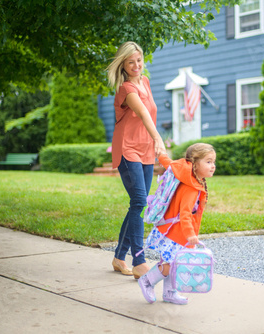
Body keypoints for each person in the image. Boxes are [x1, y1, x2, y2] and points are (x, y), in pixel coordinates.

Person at [106, 41, 166, 279]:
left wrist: (154, 143)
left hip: (145, 150)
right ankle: (139, 260)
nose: (136, 65)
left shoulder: (146, 82)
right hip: (127, 148)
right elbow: (141, 112)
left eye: (138, 60)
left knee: (137, 204)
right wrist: (159, 138)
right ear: (123, 64)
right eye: (130, 62)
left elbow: (149, 112)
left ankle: (119, 257)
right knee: (140, 201)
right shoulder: (126, 89)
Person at [138, 143, 216, 305]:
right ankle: (147, 281)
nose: (213, 166)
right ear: (194, 163)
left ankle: (169, 293)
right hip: (176, 234)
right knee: (169, 265)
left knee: (174, 263)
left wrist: (161, 155)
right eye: (208, 162)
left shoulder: (185, 173)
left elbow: (170, 164)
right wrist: (190, 235)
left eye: (213, 162)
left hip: (173, 231)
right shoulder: (191, 187)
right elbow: (185, 214)